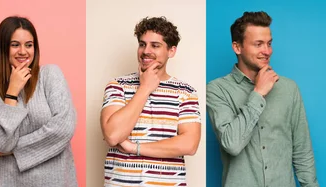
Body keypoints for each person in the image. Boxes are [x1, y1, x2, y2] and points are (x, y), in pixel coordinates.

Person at [207, 11, 318, 187]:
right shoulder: (217, 90)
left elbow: (302, 151)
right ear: (237, 47)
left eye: (269, 43)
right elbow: (232, 144)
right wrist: (258, 94)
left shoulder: (289, 89)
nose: (267, 51)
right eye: (258, 44)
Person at [100, 16, 201, 186]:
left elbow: (189, 144)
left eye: (155, 45)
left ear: (171, 51)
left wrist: (134, 148)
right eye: (142, 44)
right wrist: (145, 88)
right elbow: (112, 135)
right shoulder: (117, 85)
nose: (146, 51)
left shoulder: (186, 92)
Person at [0, 16, 77, 186]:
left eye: (29, 45)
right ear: (3, 49)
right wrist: (12, 93)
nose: (23, 51)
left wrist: (13, 151)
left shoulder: (50, 75)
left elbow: (63, 128)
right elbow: (1, 144)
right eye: (15, 44)